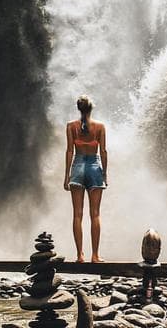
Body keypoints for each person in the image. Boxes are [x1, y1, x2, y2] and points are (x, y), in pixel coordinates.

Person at [63, 95, 107, 263]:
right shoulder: (100, 127)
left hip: (78, 165)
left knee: (77, 215)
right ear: (91, 108)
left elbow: (69, 151)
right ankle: (95, 255)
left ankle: (80, 255)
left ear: (79, 108)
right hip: (94, 166)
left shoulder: (71, 126)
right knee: (95, 214)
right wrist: (105, 173)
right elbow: (103, 151)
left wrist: (67, 175)